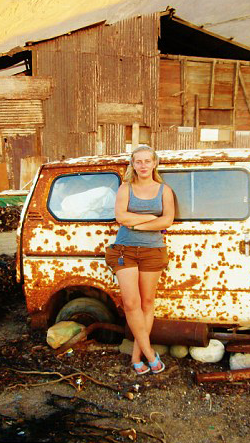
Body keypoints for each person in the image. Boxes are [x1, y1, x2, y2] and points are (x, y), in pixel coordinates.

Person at [105, 145, 174, 375]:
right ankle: (151, 355)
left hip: (153, 251)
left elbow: (166, 222)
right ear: (132, 164)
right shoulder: (126, 188)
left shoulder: (164, 190)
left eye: (147, 161)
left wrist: (134, 223)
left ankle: (136, 357)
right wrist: (148, 218)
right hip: (125, 250)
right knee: (131, 304)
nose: (143, 165)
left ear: (154, 163)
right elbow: (120, 216)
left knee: (146, 303)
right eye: (138, 161)